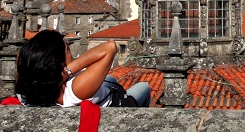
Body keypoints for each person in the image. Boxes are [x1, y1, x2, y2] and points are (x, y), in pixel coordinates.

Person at [15, 30, 150, 107]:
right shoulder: (75, 89)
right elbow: (110, 47)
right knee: (145, 87)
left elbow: (21, 55)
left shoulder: (26, 88)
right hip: (117, 102)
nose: (71, 54)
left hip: (101, 86)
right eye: (67, 51)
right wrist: (65, 72)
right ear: (58, 62)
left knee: (110, 78)